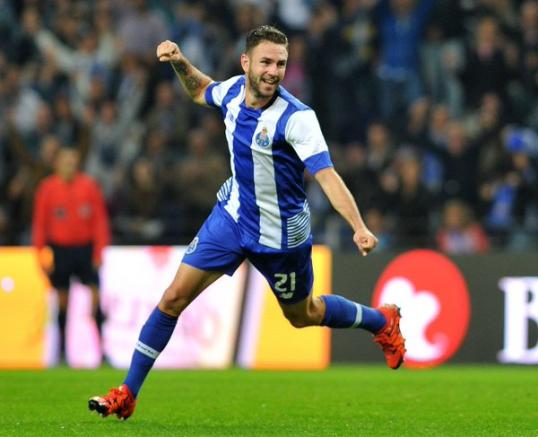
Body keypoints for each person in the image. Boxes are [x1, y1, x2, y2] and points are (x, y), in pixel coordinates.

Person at [88, 25, 406, 420]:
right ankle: (127, 393)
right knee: (172, 298)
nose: (274, 71)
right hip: (233, 217)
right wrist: (180, 61)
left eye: (281, 64)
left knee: (301, 315)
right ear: (246, 63)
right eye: (267, 62)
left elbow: (326, 175)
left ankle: (380, 320)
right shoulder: (234, 92)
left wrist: (357, 225)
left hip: (281, 236)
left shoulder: (297, 118)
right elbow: (202, 89)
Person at [32, 147, 110, 365]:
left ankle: (102, 351)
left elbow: (100, 221)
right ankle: (63, 352)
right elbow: (40, 224)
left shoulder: (88, 186)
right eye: (66, 160)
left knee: (95, 298)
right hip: (60, 251)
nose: (70, 165)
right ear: (57, 163)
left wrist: (99, 250)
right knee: (62, 301)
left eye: (73, 160)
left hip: (85, 249)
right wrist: (40, 253)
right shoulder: (47, 189)